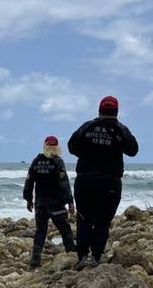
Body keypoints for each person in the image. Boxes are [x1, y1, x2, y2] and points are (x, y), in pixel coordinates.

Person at [68, 96, 139, 270]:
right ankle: (96, 258)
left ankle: (83, 257)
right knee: (102, 222)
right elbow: (133, 150)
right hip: (110, 184)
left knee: (84, 219)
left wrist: (87, 154)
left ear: (99, 110)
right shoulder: (120, 129)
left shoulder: (87, 127)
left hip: (85, 181)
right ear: (116, 112)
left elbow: (71, 147)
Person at [23, 136, 76, 268]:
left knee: (40, 232)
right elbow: (64, 183)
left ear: (44, 147)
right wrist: (70, 202)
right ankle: (72, 255)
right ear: (57, 148)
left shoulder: (36, 161)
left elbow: (29, 181)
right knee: (65, 230)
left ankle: (35, 263)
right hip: (56, 203)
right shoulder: (58, 162)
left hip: (40, 203)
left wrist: (29, 199)